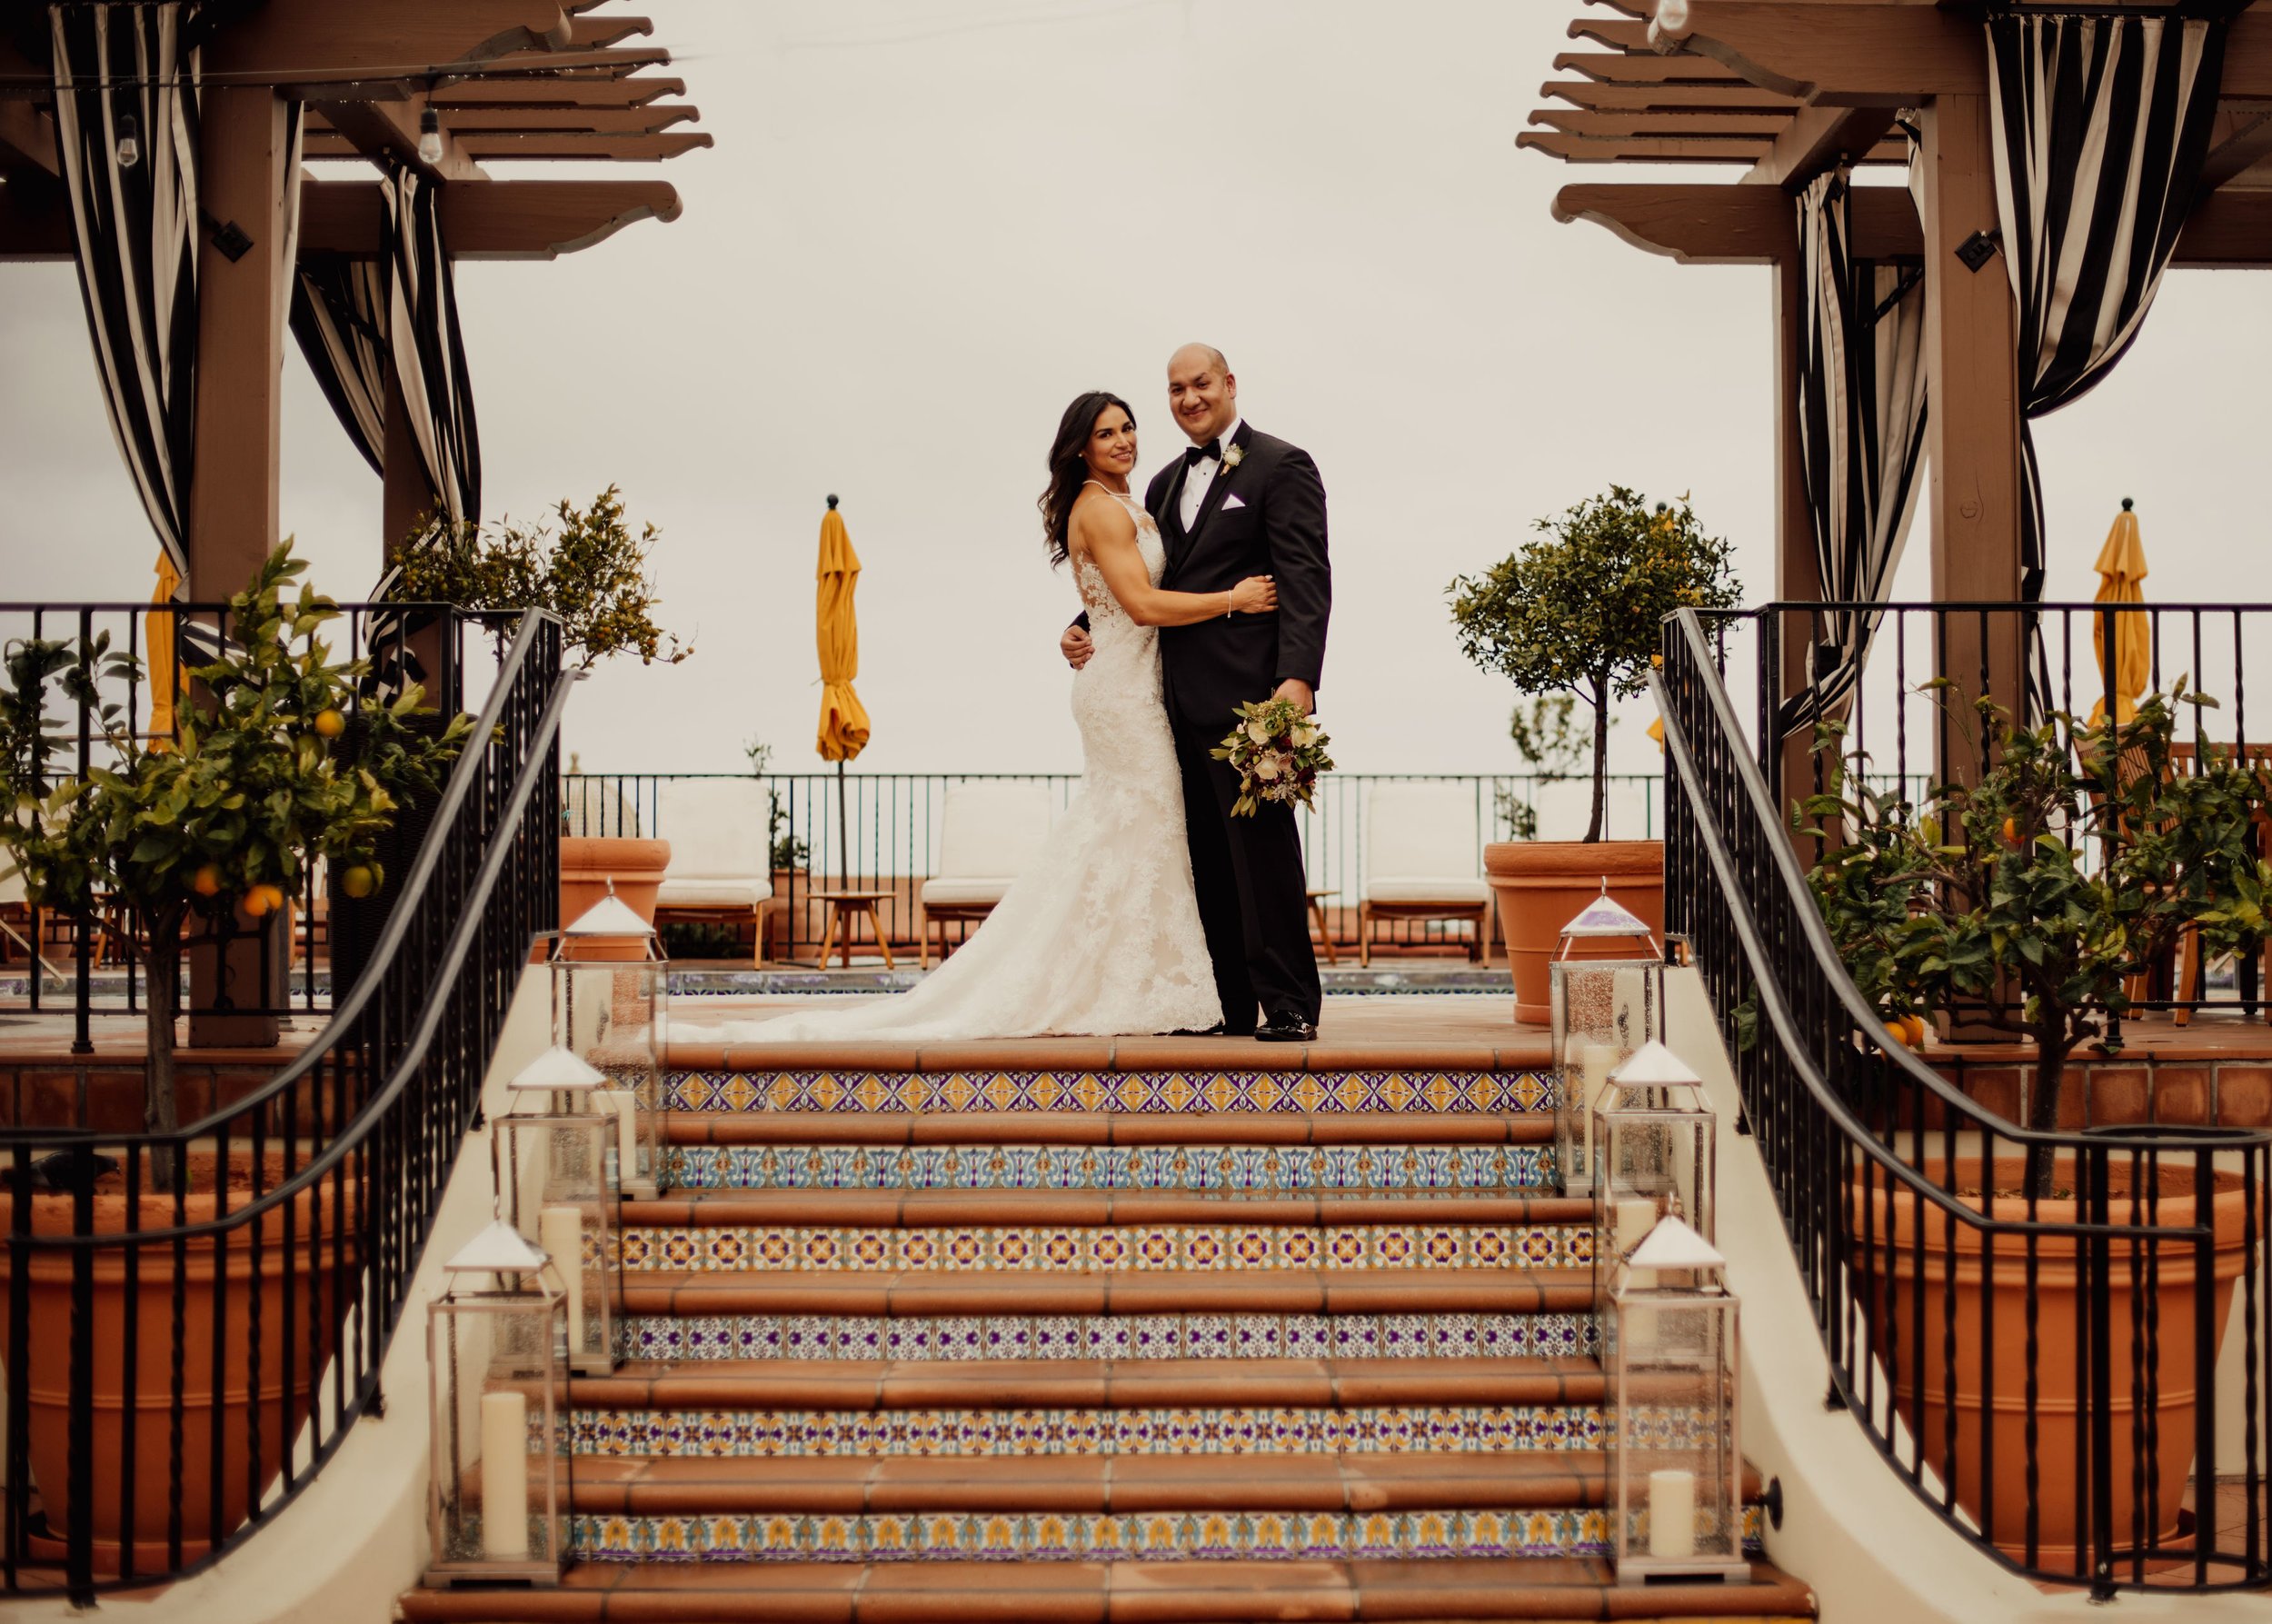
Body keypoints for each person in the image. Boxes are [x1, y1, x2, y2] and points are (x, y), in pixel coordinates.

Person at [714, 389, 1276, 1041]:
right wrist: (1232, 597)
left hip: (1134, 683)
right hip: (1122, 697)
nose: (1123, 440)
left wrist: (1076, 626)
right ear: (1081, 448)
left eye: (1128, 427)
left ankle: (1144, 980)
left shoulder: (1132, 503)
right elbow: (1144, 606)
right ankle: (1123, 985)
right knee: (1137, 830)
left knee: (1136, 837)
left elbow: (1117, 603)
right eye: (1105, 434)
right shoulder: (1099, 509)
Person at [1062, 344, 1330, 1041]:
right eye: (1176, 388)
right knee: (1203, 858)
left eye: (1200, 383)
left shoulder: (1282, 464)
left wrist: (1297, 679)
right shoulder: (1155, 487)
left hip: (1251, 700)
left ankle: (1292, 1002)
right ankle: (1229, 1003)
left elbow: (1306, 579)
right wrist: (1081, 625)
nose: (1188, 398)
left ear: (1230, 384)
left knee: (1262, 851)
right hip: (1167, 701)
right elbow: (1145, 585)